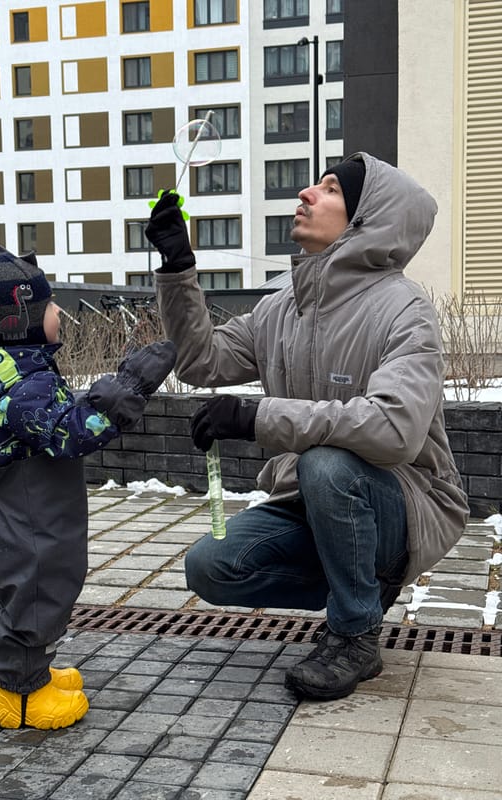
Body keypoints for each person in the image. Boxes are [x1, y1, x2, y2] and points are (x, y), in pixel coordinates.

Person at [145, 152, 470, 702]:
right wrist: (178, 267)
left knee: (327, 462)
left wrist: (256, 416)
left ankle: (354, 636)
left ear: (367, 219)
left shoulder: (402, 309)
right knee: (212, 567)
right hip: (315, 500)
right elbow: (203, 362)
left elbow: (394, 429)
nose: (306, 194)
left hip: (408, 500)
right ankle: (361, 586)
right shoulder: (282, 307)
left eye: (330, 190)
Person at [0, 245, 176, 728]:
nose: (60, 312)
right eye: (49, 306)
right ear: (17, 321)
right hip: (31, 520)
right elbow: (75, 431)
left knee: (20, 595)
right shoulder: (24, 385)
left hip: (5, 512)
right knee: (36, 595)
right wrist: (131, 382)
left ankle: (28, 674)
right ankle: (22, 698)